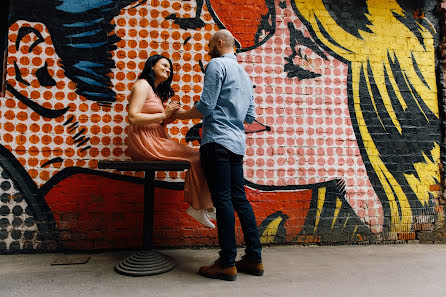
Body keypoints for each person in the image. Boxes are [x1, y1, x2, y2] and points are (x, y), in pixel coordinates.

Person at [173, 30, 263, 281]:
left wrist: (179, 115)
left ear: (220, 43)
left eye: (210, 43)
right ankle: (254, 259)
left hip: (216, 142)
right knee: (240, 200)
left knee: (222, 200)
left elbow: (206, 106)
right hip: (237, 144)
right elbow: (250, 116)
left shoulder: (216, 65)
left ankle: (226, 262)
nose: (208, 47)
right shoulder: (245, 74)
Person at [127, 54, 216, 228]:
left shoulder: (155, 92)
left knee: (199, 156)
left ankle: (203, 205)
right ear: (152, 65)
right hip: (144, 140)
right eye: (165, 65)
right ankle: (199, 206)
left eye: (170, 68)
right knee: (198, 156)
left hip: (154, 137)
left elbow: (155, 120)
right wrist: (164, 114)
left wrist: (167, 118)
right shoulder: (142, 85)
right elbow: (132, 117)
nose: (168, 69)